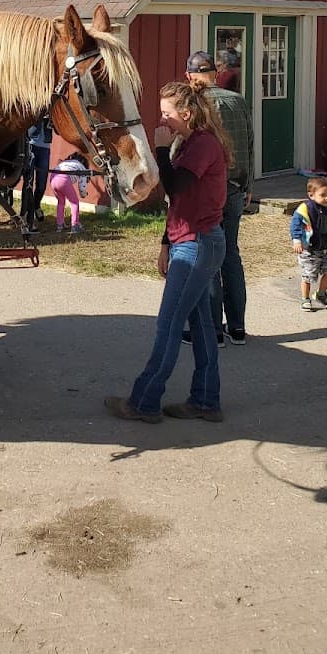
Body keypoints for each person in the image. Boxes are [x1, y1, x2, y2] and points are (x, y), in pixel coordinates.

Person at [104, 81, 229, 424]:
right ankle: (206, 400)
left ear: (186, 115)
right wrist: (165, 243)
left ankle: (144, 402)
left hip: (198, 245)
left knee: (169, 323)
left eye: (166, 114)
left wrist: (159, 150)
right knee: (201, 323)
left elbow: (174, 186)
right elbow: (180, 203)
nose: (161, 121)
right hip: (191, 242)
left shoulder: (202, 146)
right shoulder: (189, 145)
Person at [183, 50, 254, 347]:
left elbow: (188, 147)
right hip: (237, 185)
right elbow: (250, 142)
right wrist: (249, 184)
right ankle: (237, 327)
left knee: (208, 256)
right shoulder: (237, 100)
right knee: (231, 255)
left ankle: (212, 330)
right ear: (214, 72)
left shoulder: (197, 103)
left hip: (208, 190)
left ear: (190, 75)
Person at [291, 177, 327, 310]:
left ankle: (321, 294)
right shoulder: (304, 209)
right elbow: (295, 225)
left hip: (323, 249)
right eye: (323, 195)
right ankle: (305, 299)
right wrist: (297, 240)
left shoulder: (325, 211)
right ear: (311, 195)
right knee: (308, 275)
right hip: (308, 250)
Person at [20, 115, 53, 232]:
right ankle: (26, 218)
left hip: (45, 148)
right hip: (30, 145)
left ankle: (36, 205)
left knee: (42, 185)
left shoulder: (51, 108)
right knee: (28, 183)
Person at [49, 152, 90, 233]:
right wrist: (83, 194)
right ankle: (75, 225)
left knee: (61, 202)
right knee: (74, 202)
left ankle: (60, 225)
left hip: (53, 177)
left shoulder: (66, 162)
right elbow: (82, 186)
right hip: (64, 179)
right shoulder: (82, 167)